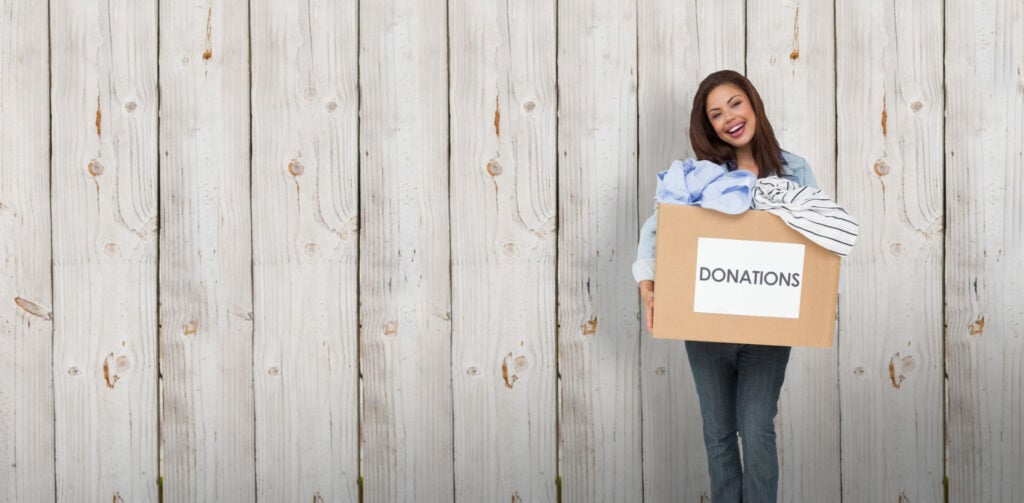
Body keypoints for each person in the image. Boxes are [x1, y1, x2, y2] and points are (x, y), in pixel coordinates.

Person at [633, 69, 818, 503]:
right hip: (707, 330)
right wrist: (648, 286)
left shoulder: (795, 170)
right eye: (716, 114)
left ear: (752, 103)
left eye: (735, 103)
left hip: (767, 329)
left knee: (755, 429)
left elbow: (816, 238)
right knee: (718, 435)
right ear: (709, 126)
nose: (729, 118)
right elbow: (657, 229)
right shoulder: (699, 176)